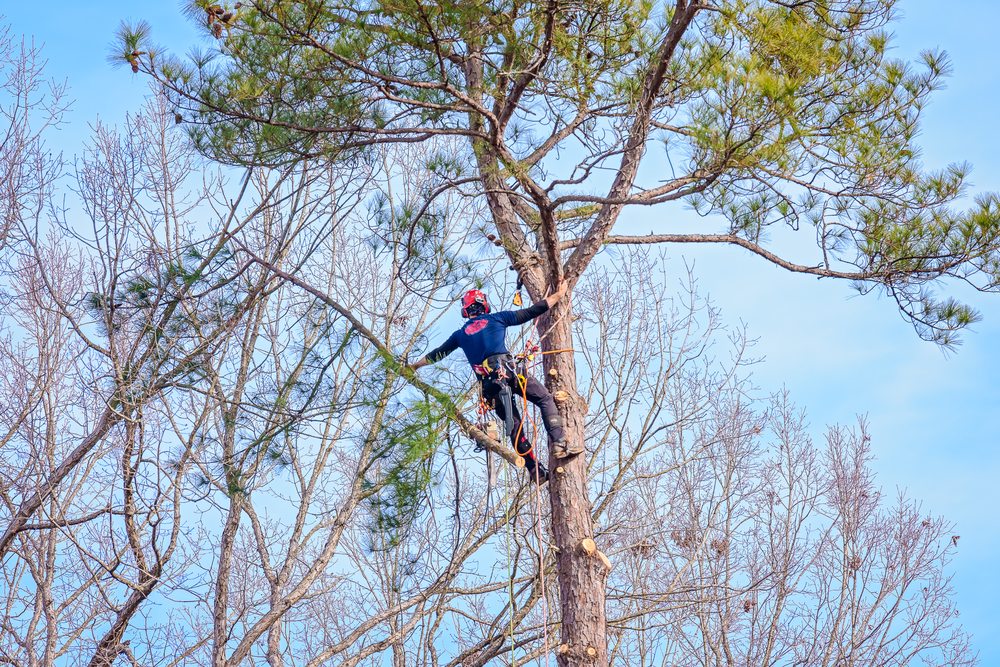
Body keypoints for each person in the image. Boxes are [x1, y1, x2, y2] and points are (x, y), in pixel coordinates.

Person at [407, 283, 583, 483]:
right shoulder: (498, 318)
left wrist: (415, 366)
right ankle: (559, 442)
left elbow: (437, 354)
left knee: (515, 426)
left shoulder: (460, 335)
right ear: (484, 306)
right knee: (544, 398)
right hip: (510, 373)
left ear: (466, 310)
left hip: (489, 389)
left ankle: (535, 470)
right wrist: (559, 294)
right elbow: (534, 310)